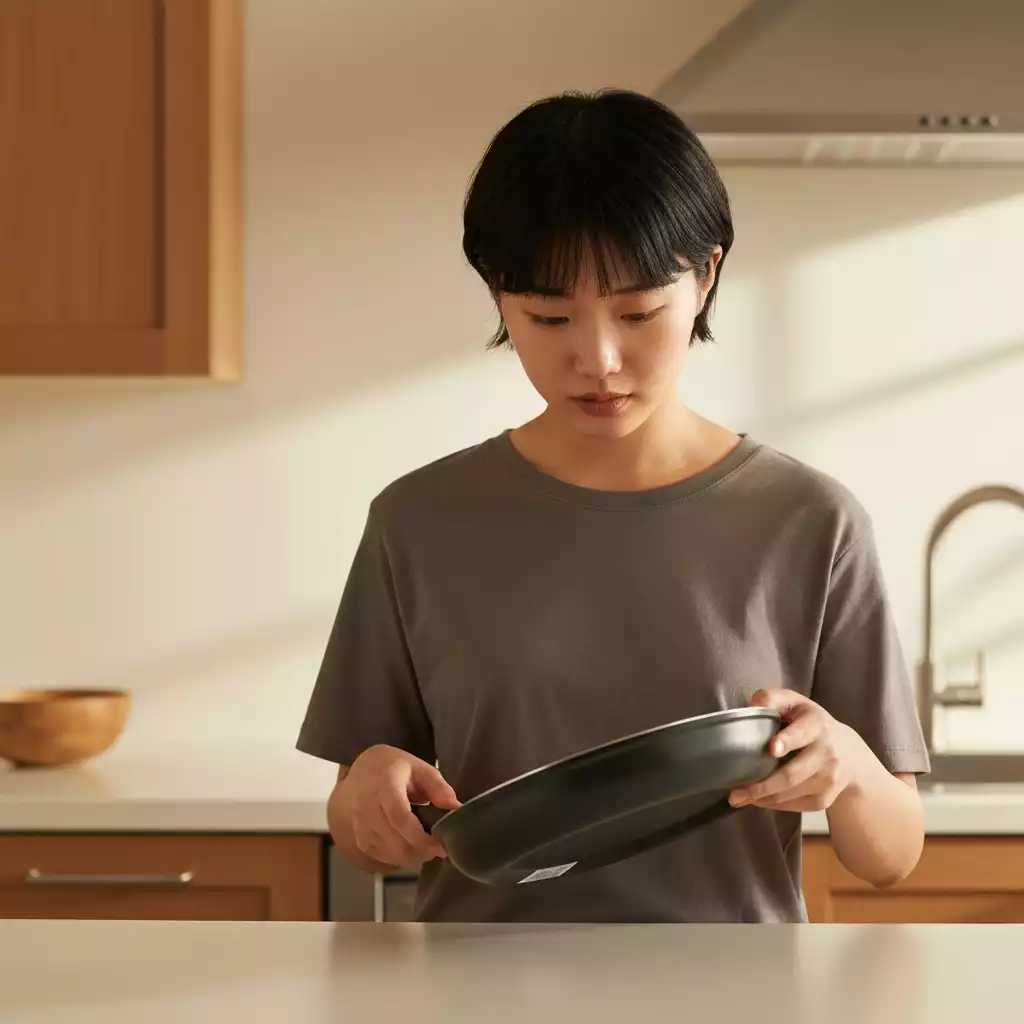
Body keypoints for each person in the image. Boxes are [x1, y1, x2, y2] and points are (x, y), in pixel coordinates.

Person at [296, 88, 930, 923]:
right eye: (549, 316)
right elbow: (356, 825)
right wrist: (369, 793)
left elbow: (893, 855)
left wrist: (843, 765)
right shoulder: (418, 521)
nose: (597, 359)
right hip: (476, 995)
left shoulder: (811, 521)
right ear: (498, 297)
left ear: (704, 278)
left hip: (734, 1000)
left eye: (637, 313)